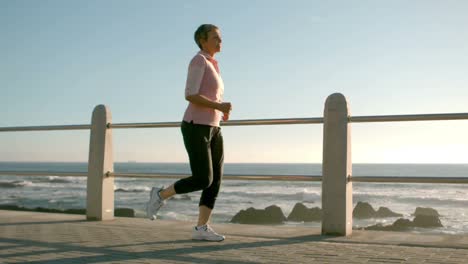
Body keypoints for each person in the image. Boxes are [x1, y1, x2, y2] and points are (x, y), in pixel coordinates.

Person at [146, 24, 232, 242]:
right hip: (195, 126)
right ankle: (160, 195)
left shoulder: (214, 64)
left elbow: (210, 97)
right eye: (215, 38)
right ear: (202, 40)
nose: (220, 41)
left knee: (215, 181)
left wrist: (220, 112)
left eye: (220, 38)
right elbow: (190, 94)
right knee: (203, 178)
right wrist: (219, 107)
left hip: (214, 128)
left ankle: (201, 228)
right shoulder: (199, 60)